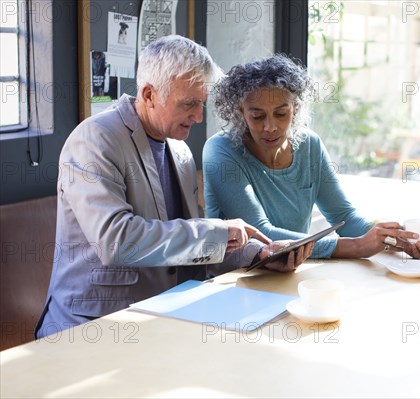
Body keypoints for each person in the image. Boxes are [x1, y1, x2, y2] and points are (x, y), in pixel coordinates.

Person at [36, 37, 313, 339]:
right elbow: (116, 241)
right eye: (188, 104)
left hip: (164, 315)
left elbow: (185, 243)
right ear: (149, 94)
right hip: (92, 326)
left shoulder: (179, 150)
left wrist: (258, 254)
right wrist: (217, 231)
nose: (198, 116)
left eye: (201, 103)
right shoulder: (94, 140)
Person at [202, 54, 420, 260]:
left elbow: (343, 216)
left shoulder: (309, 144)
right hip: (234, 281)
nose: (270, 127)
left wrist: (395, 237)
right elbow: (262, 233)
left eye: (281, 113)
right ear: (240, 112)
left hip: (293, 271)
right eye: (257, 116)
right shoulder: (221, 152)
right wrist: (358, 246)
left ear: (295, 108)